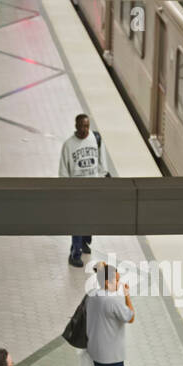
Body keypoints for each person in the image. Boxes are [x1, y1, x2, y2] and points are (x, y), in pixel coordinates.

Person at [85, 262, 141, 366]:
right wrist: (126, 295)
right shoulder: (112, 301)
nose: (118, 283)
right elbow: (130, 317)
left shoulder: (92, 295)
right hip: (111, 353)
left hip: (95, 349)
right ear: (108, 282)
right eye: (116, 280)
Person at [58, 112, 110, 267]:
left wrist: (103, 177)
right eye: (81, 126)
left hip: (93, 188)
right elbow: (63, 170)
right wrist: (65, 189)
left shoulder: (95, 139)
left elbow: (102, 162)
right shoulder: (68, 145)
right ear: (76, 126)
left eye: (87, 126)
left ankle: (84, 242)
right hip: (76, 190)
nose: (84, 129)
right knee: (78, 221)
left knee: (90, 219)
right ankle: (75, 253)